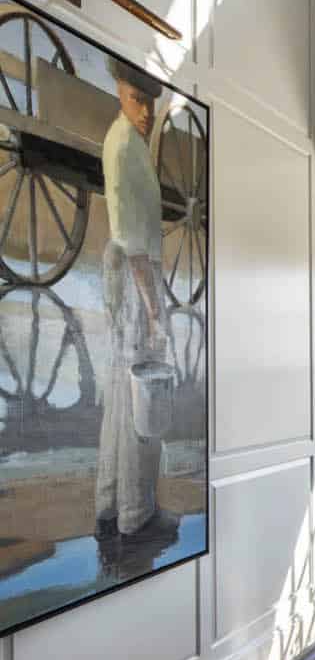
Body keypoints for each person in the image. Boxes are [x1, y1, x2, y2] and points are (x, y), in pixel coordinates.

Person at [94, 57, 177, 550]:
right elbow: (133, 243)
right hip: (133, 274)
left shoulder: (127, 141)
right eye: (137, 100)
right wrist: (152, 311)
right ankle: (135, 512)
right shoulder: (124, 146)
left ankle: (109, 503)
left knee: (122, 394)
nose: (146, 112)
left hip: (130, 270)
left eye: (150, 102)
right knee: (141, 391)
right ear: (121, 93)